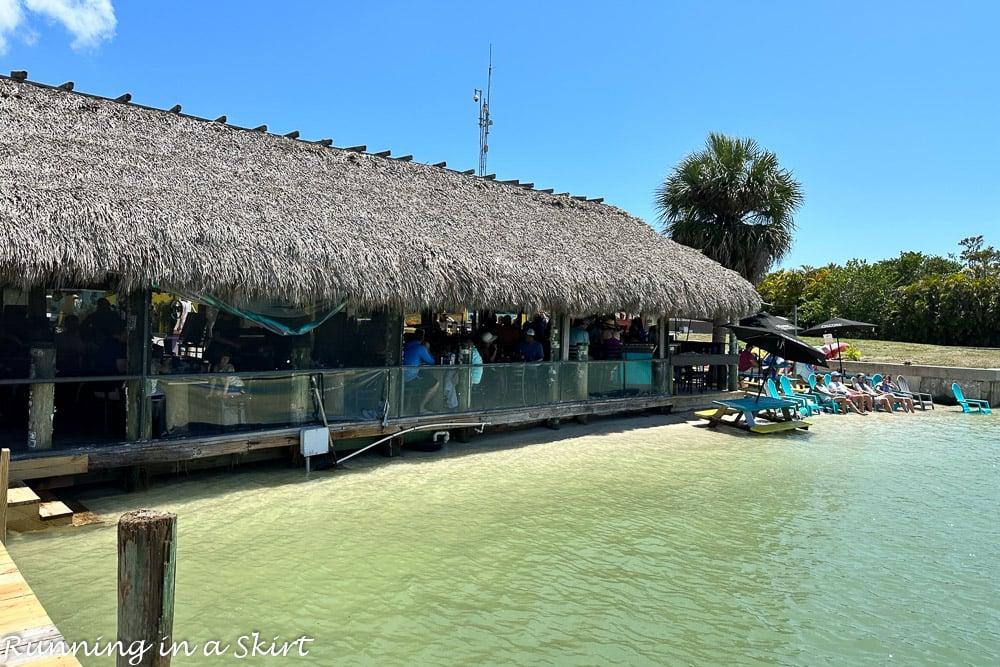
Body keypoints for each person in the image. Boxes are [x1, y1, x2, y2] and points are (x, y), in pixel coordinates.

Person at [403, 329, 440, 413]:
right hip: (410, 379)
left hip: (400, 377)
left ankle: (408, 405)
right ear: (422, 338)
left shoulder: (407, 345)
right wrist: (427, 349)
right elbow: (432, 361)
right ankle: (421, 408)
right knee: (435, 383)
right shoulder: (420, 348)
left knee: (421, 377)